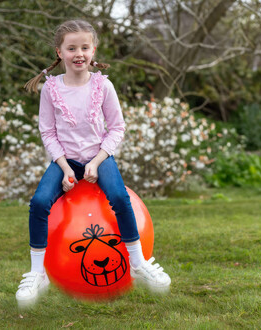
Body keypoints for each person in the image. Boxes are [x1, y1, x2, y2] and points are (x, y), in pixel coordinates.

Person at [16, 19, 171, 308]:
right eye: (71, 47)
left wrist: (98, 161)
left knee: (120, 198)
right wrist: (63, 167)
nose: (79, 53)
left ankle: (138, 263)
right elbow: (47, 132)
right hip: (66, 160)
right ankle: (38, 273)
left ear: (93, 50)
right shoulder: (51, 90)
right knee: (38, 203)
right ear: (59, 52)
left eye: (84, 47)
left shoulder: (103, 85)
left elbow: (117, 127)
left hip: (100, 157)